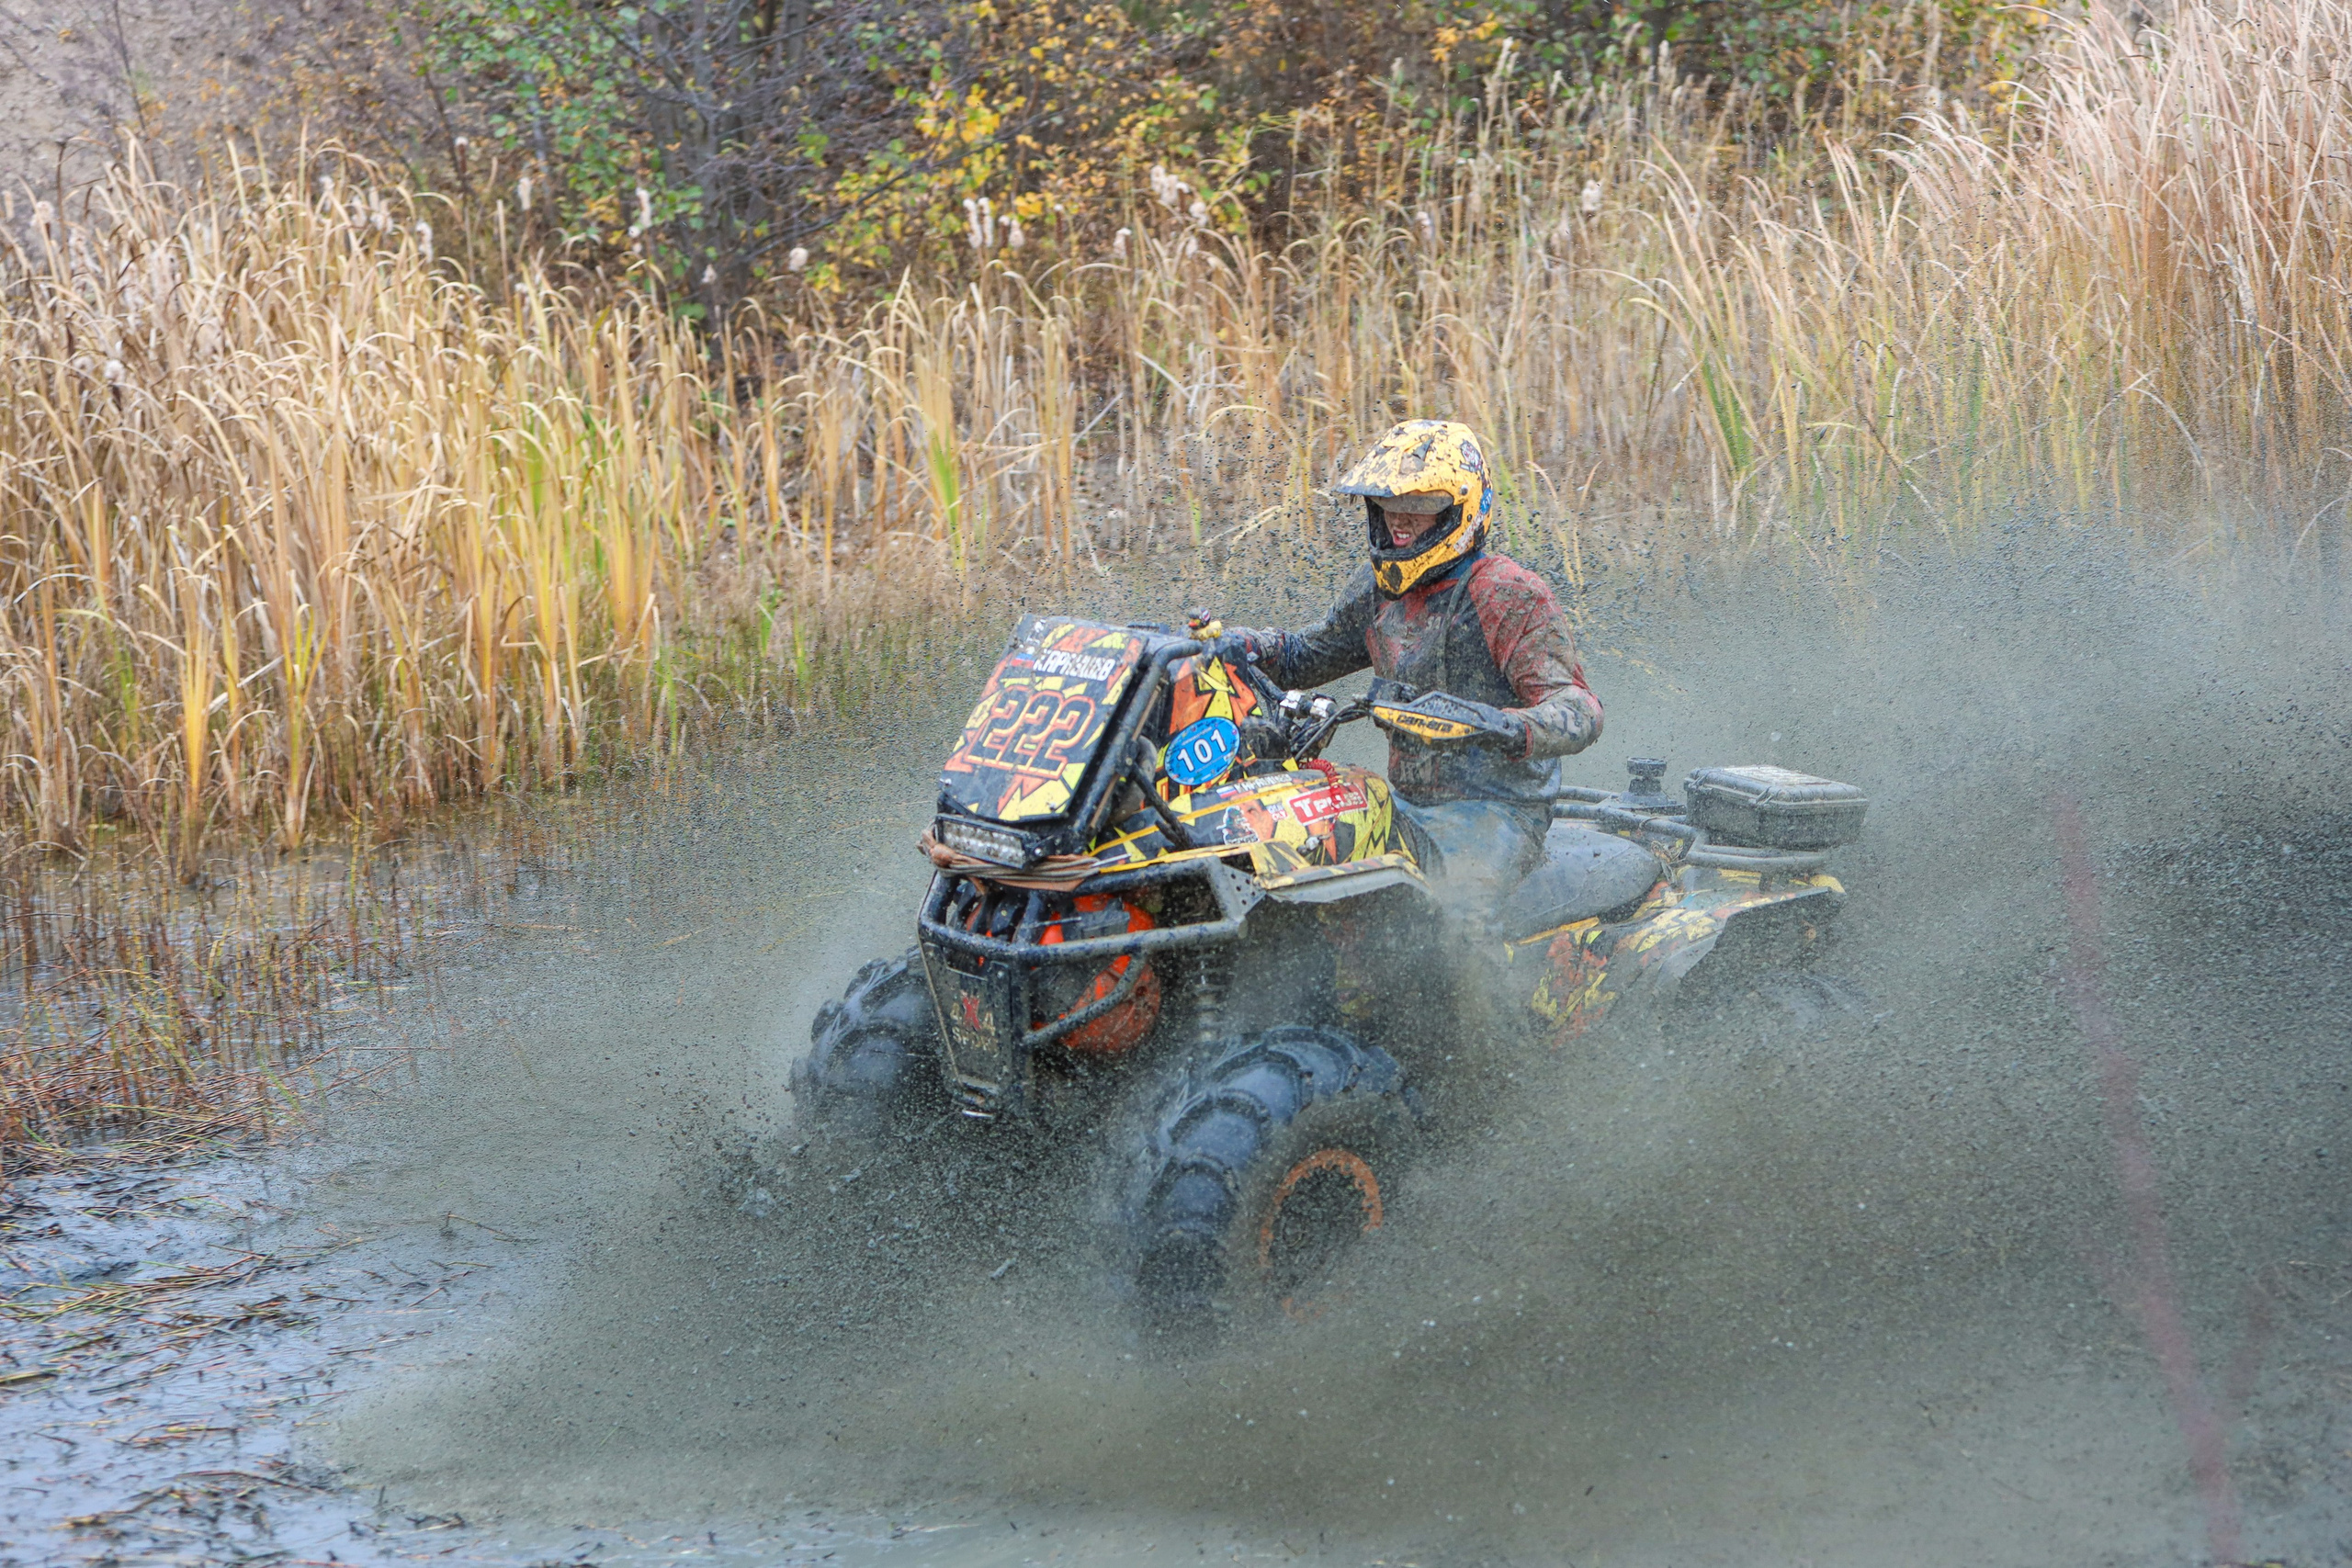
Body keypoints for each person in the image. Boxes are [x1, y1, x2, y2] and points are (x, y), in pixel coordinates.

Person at [1216, 419, 1602, 910]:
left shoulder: (1505, 592)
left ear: (1459, 510)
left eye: (1419, 507)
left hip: (1497, 812)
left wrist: (1500, 725)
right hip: (1405, 802)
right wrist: (1233, 644)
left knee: (1451, 921)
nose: (1400, 520)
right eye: (1389, 505)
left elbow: (1579, 707)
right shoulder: (1380, 588)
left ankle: (1489, 987)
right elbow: (1301, 658)